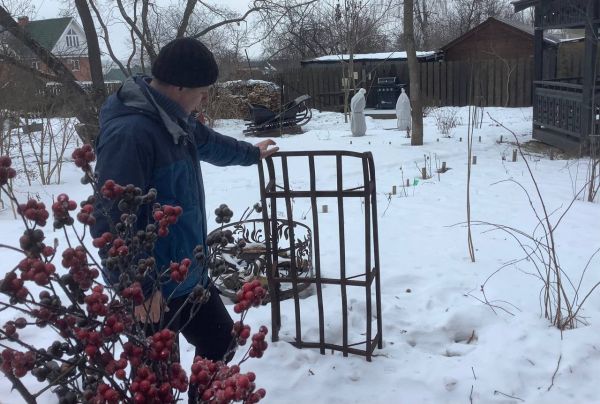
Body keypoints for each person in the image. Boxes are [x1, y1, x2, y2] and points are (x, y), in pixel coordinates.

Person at [90, 37, 278, 384]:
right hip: (154, 283)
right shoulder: (131, 134)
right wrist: (140, 288)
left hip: (189, 273)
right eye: (202, 91)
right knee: (156, 381)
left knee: (220, 341)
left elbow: (210, 142)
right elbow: (110, 219)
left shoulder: (175, 117)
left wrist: (252, 154)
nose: (204, 98)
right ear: (178, 86)